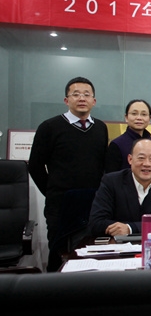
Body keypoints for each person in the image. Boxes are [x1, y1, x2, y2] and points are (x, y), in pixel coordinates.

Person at [29, 77, 108, 272]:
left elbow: (101, 165)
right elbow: (35, 166)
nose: (82, 98)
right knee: (60, 254)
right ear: (66, 100)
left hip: (92, 203)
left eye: (86, 95)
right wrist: (52, 192)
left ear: (94, 101)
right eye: (76, 94)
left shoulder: (100, 128)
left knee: (90, 255)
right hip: (61, 204)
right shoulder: (49, 127)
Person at [88, 137, 151, 236]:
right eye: (141, 158)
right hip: (117, 243)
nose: (147, 164)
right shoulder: (111, 182)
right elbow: (96, 223)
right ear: (130, 159)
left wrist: (130, 228)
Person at [105, 99, 151, 172]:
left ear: (149, 119)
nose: (139, 118)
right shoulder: (117, 144)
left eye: (144, 114)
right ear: (126, 117)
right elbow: (111, 175)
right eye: (134, 114)